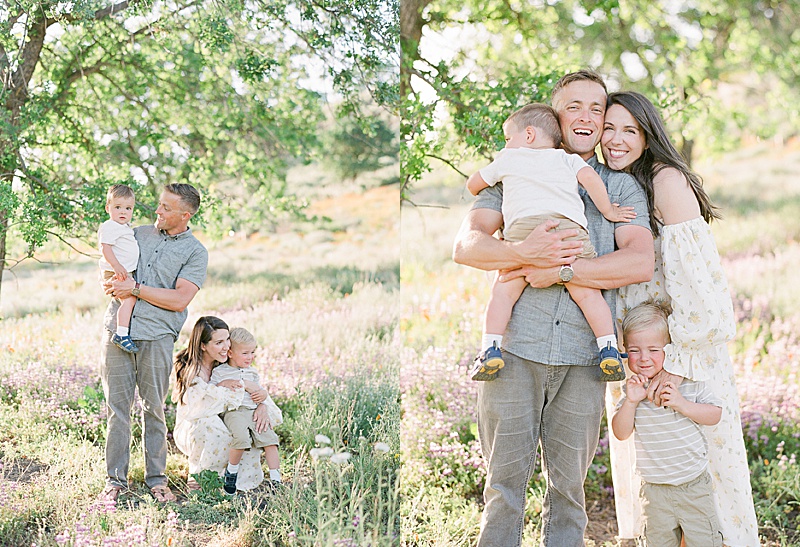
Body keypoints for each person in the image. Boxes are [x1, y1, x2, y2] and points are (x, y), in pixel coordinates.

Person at [452, 70, 653, 546]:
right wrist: (528, 255)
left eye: (596, 109)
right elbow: (468, 247)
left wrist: (559, 271)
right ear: (554, 117)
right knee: (503, 488)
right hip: (515, 351)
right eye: (574, 107)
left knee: (569, 492)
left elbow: (639, 262)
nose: (585, 116)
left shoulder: (619, 189)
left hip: (586, 357)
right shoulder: (514, 170)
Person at [600, 90, 759, 546]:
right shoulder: (612, 184)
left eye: (629, 129)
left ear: (648, 136)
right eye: (609, 128)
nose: (615, 139)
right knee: (657, 471)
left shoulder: (664, 180)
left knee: (703, 473)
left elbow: (702, 288)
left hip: (681, 353)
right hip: (641, 350)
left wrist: (672, 362)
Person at [465, 102, 636, 382]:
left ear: (529, 135)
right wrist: (608, 210)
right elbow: (591, 179)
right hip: (569, 232)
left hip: (525, 231)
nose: (507, 145)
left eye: (509, 138)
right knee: (588, 293)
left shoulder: (509, 159)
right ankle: (608, 348)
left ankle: (490, 349)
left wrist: (487, 178)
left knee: (504, 292)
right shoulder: (566, 159)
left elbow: (474, 184)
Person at [99, 183, 208, 503]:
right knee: (116, 410)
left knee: (154, 409)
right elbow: (109, 264)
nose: (157, 211)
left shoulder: (195, 252)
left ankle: (156, 479)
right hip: (116, 331)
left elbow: (179, 299)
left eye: (166, 208)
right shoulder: (135, 233)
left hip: (158, 337)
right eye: (158, 205)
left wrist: (134, 289)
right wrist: (111, 280)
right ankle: (115, 481)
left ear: (185, 215)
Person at [611, 301, 723, 547]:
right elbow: (620, 433)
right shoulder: (633, 389)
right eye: (634, 350)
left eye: (653, 350)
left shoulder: (689, 381)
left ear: (669, 350)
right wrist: (630, 402)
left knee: (705, 540)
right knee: (657, 542)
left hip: (693, 485)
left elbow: (715, 414)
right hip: (654, 490)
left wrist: (682, 403)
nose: (643, 359)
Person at [173, 317, 270, 491]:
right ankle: (200, 476)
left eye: (227, 340)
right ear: (203, 346)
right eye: (219, 342)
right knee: (214, 427)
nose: (226, 347)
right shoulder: (192, 370)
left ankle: (232, 476)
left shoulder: (225, 363)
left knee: (249, 424)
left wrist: (262, 404)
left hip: (222, 416)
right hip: (195, 424)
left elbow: (251, 386)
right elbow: (200, 409)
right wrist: (222, 386)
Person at [211, 327, 282, 494]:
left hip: (253, 411)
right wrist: (223, 383)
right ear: (230, 353)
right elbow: (212, 391)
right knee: (241, 438)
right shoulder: (220, 372)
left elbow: (259, 391)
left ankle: (276, 481)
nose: (250, 357)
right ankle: (231, 473)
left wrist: (263, 395)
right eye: (245, 353)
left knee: (270, 440)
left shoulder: (252, 372)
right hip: (234, 411)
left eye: (252, 352)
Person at [98, 184, 140, 353]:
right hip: (116, 270)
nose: (123, 212)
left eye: (128, 208)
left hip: (122, 270)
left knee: (130, 300)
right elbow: (105, 248)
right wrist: (116, 266)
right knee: (129, 300)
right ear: (108, 208)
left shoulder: (123, 227)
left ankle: (124, 331)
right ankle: (121, 334)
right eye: (118, 207)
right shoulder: (109, 226)